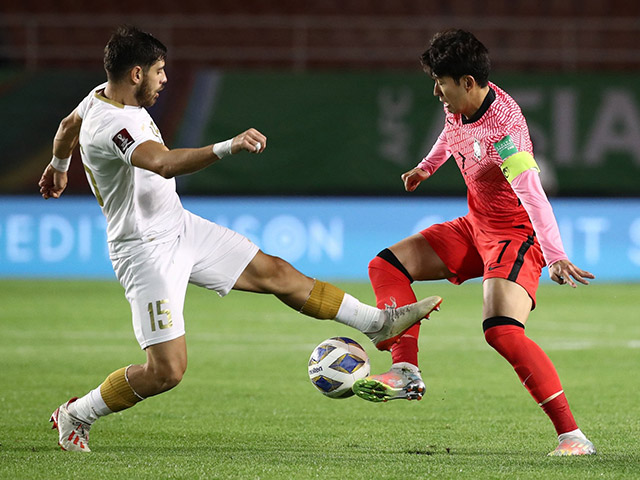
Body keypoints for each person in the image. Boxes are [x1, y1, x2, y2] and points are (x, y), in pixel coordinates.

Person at [39, 25, 442, 452]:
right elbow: (162, 164)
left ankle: (378, 324)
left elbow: (68, 124)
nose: (165, 80)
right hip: (145, 251)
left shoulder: (99, 95)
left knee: (276, 272)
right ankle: (75, 414)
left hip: (179, 227)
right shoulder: (113, 125)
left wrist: (59, 164)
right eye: (159, 71)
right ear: (136, 74)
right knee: (166, 372)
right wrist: (227, 146)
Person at [351, 29, 596, 457]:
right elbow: (451, 136)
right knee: (385, 265)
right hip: (476, 225)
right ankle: (406, 369)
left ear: (466, 81)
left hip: (514, 235)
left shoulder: (505, 130)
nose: (436, 91)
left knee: (501, 331)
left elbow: (532, 194)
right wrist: (427, 168)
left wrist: (555, 256)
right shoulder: (460, 106)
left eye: (441, 82)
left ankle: (572, 437)